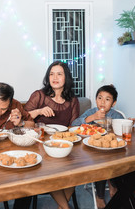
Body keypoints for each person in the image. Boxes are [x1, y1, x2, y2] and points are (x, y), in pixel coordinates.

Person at [24, 61, 79, 209]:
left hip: (63, 145)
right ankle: (66, 207)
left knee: (75, 173)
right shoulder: (39, 96)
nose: (55, 77)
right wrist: (39, 111)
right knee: (51, 172)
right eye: (51, 74)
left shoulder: (73, 100)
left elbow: (74, 127)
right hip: (41, 145)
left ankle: (62, 207)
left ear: (66, 77)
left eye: (59, 74)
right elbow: (22, 119)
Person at [71, 84, 125, 209]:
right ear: (96, 99)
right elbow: (74, 124)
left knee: (117, 161)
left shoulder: (116, 115)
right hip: (93, 150)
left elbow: (123, 130)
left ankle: (113, 184)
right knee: (100, 164)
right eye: (100, 98)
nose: (102, 102)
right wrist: (92, 117)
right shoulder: (91, 112)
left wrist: (128, 123)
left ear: (113, 103)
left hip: (112, 150)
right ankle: (100, 196)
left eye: (107, 99)